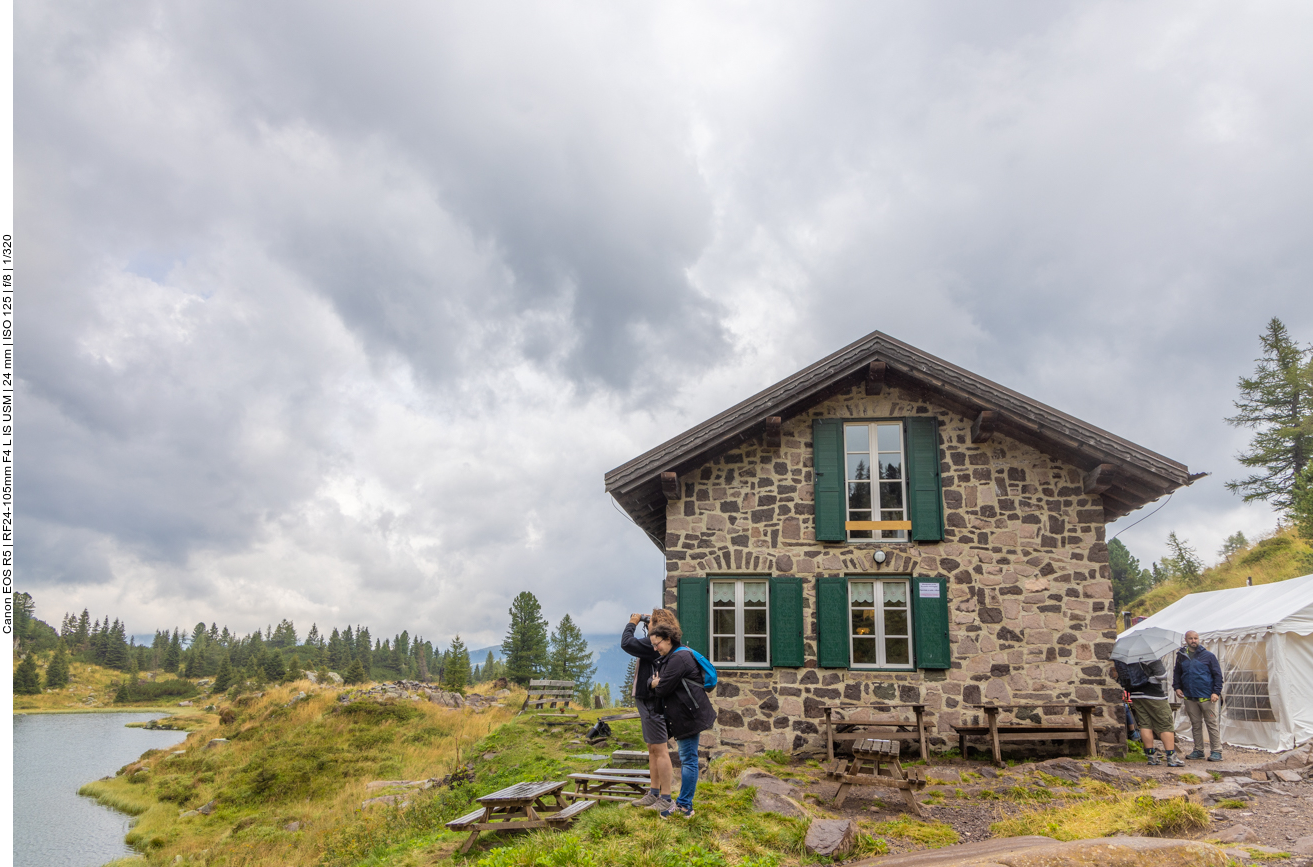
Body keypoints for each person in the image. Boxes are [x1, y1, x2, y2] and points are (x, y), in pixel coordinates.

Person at [648, 622, 715, 819]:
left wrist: (655, 684)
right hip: (685, 715)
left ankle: (685, 806)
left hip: (688, 716)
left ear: (668, 639)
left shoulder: (679, 658)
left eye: (657, 643)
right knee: (688, 758)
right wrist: (654, 683)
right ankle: (684, 803)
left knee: (688, 759)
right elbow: (656, 683)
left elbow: (662, 689)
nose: (654, 648)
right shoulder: (673, 656)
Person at [621, 609, 680, 811]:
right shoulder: (654, 642)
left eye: (652, 622)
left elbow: (626, 642)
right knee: (653, 749)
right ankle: (654, 793)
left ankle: (665, 798)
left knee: (660, 750)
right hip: (648, 700)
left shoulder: (650, 645)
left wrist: (633, 622)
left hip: (651, 700)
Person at [1114, 656, 1182, 767]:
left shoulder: (1127, 657)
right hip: (1153, 694)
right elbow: (1162, 675)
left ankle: (1151, 756)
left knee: (1145, 724)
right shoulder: (1148, 655)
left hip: (1135, 694)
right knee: (1166, 724)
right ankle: (1171, 757)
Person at [1174, 630, 1224, 762]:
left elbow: (1217, 675)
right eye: (1190, 638)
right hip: (1190, 696)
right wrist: (1177, 687)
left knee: (1211, 724)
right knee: (1195, 724)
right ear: (1186, 640)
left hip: (1207, 696)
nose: (1193, 640)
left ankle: (1216, 751)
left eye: (1195, 638)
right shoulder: (1181, 656)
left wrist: (1216, 692)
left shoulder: (1208, 656)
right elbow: (1177, 673)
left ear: (1199, 639)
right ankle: (1198, 750)